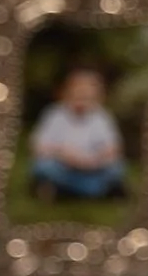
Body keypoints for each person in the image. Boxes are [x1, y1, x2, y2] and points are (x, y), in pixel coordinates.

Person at [27, 64, 127, 202]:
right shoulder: (54, 114)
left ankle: (69, 190)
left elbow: (114, 148)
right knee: (43, 166)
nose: (82, 101)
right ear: (67, 93)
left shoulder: (102, 116)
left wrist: (93, 160)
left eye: (87, 97)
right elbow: (38, 147)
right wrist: (63, 153)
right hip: (64, 166)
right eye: (78, 95)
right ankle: (92, 191)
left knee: (116, 167)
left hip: (93, 166)